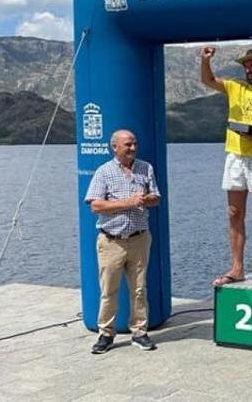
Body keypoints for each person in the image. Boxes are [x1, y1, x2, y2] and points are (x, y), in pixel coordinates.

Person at [200, 46, 252, 289]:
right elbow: (208, 80)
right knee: (234, 213)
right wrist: (205, 60)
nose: (249, 69)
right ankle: (237, 268)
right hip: (234, 156)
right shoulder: (235, 86)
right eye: (246, 65)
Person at [85, 129, 161, 355]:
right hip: (112, 241)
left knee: (139, 289)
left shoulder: (146, 168)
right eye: (128, 144)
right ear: (115, 147)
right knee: (109, 290)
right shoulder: (104, 172)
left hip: (139, 238)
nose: (133, 148)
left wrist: (147, 199)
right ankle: (106, 334)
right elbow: (95, 205)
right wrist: (128, 202)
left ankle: (139, 332)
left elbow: (156, 198)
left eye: (135, 143)